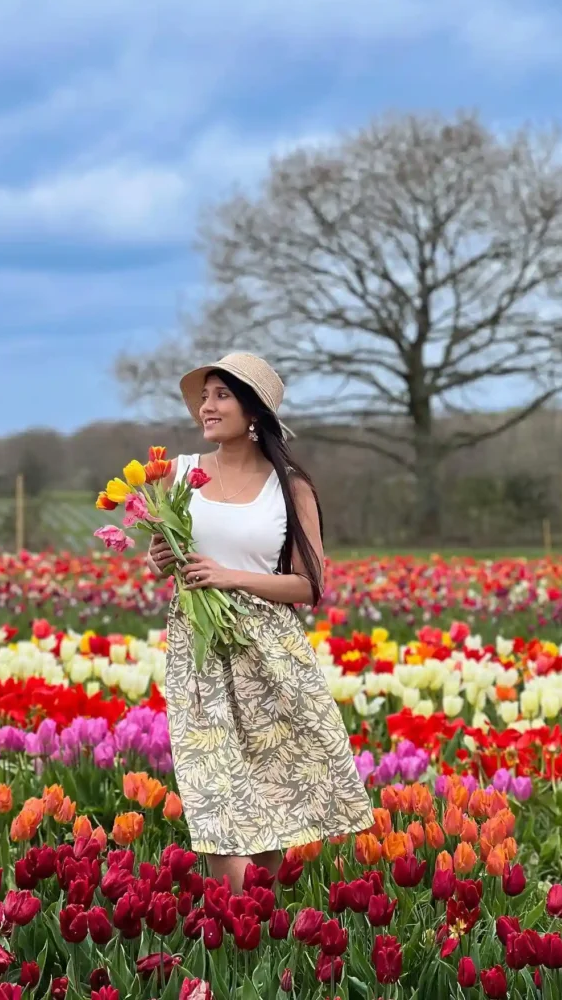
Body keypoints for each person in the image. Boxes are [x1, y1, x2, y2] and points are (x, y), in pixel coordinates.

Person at [146, 352, 373, 893]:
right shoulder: (177, 474)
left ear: (253, 411)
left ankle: (257, 942)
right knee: (218, 807)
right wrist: (160, 559)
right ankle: (241, 924)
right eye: (205, 396)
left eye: (221, 395)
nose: (207, 406)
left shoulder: (289, 488)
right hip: (200, 654)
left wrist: (231, 577)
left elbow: (309, 585)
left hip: (270, 655)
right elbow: (176, 558)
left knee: (270, 803)